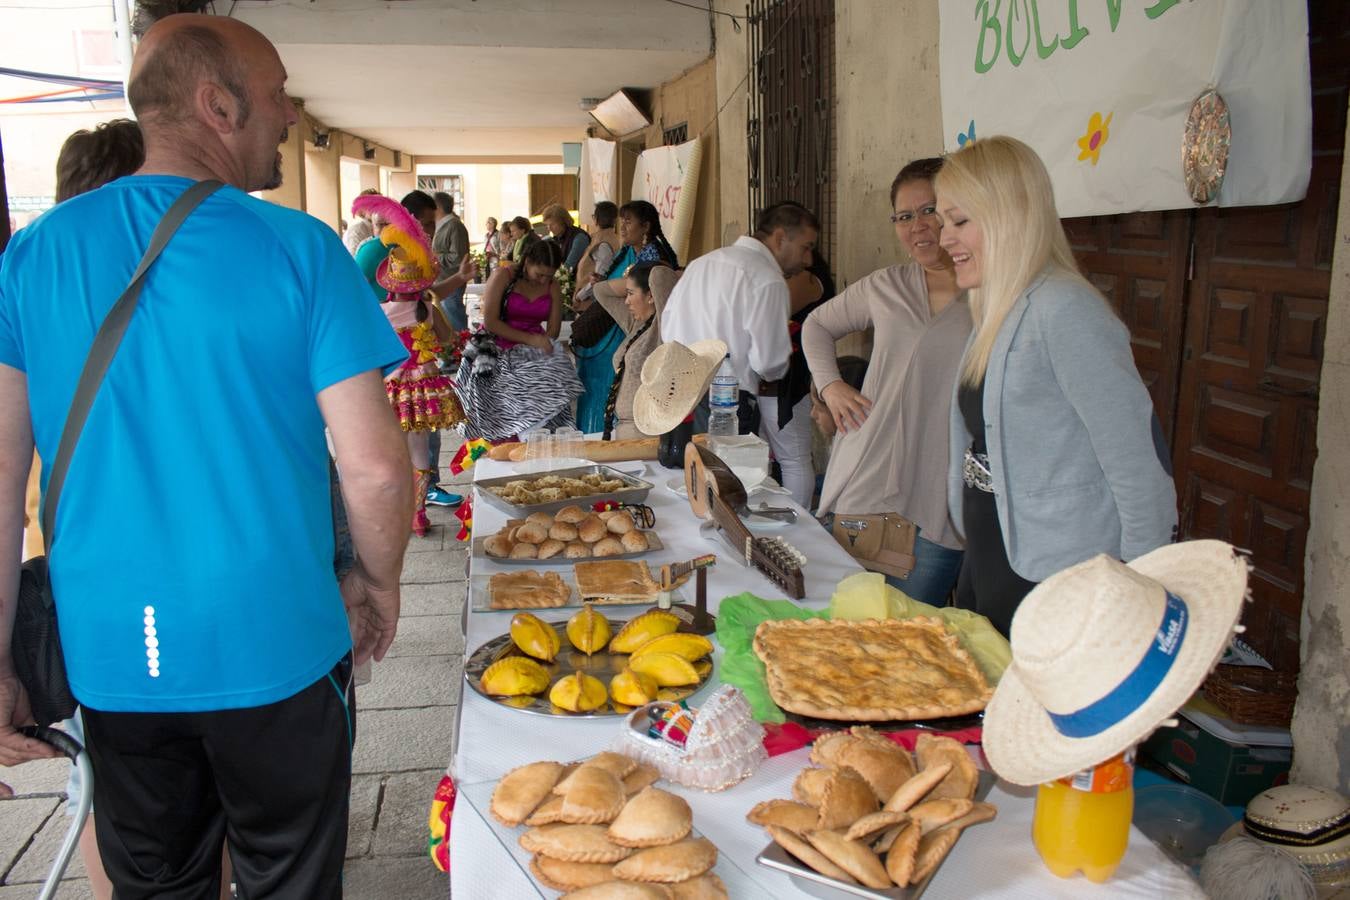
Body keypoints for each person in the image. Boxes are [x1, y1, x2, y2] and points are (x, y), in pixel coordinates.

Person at [0, 15, 412, 897]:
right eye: (277, 94)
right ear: (217, 104)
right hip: (278, 640)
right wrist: (378, 584)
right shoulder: (301, 248)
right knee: (290, 876)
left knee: (155, 883)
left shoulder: (32, 259)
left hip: (114, 652)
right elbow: (375, 468)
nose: (292, 114)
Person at [935, 135, 1177, 635]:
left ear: (1009, 216)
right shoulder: (992, 310)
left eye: (959, 222)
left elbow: (1136, 459)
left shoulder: (1066, 309)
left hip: (1054, 572)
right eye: (944, 223)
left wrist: (1141, 582)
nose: (943, 240)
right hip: (993, 553)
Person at [803, 158, 971, 605]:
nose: (918, 226)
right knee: (843, 628)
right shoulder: (886, 286)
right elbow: (815, 326)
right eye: (903, 216)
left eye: (929, 209)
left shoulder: (990, 291)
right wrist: (831, 386)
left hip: (940, 497)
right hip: (866, 483)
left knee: (912, 637)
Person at [357, 194, 471, 536]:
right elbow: (448, 339)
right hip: (423, 392)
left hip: (388, 391)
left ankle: (394, 511)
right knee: (420, 454)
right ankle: (418, 515)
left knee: (388, 454)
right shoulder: (427, 309)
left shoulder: (378, 313)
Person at [661, 201, 817, 438]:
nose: (808, 260)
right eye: (806, 247)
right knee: (727, 473)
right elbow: (768, 362)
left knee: (687, 471)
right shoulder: (767, 279)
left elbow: (668, 326)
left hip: (679, 395)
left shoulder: (703, 263)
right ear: (780, 238)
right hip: (726, 402)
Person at [455, 239, 582, 440]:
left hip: (531, 349)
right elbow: (490, 322)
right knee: (505, 398)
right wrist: (531, 340)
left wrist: (540, 345)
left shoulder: (552, 285)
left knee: (555, 380)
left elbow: (554, 330)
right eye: (539, 274)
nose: (543, 281)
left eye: (549, 276)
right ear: (527, 262)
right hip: (496, 344)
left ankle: (537, 438)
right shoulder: (502, 276)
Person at [572, 200, 678, 434]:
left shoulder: (654, 257)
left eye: (629, 221)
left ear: (646, 226)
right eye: (622, 221)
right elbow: (607, 291)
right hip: (625, 328)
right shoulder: (630, 252)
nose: (623, 227)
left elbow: (659, 282)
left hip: (637, 333)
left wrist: (625, 286)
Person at [591, 261, 678, 440]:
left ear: (652, 295)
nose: (626, 300)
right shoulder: (635, 324)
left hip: (648, 433)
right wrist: (634, 280)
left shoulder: (663, 328)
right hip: (624, 428)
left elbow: (661, 279)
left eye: (630, 293)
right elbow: (600, 290)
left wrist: (644, 278)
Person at [431, 190, 470, 331]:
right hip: (442, 280)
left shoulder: (454, 225)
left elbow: (458, 258)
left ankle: (463, 348)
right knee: (447, 321)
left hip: (452, 280)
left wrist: (434, 256)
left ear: (438, 207)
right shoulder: (440, 225)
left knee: (455, 320)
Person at [573, 200, 621, 296]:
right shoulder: (616, 239)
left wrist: (580, 296)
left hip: (591, 299)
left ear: (595, 219)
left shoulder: (602, 243)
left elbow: (599, 278)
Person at [542, 204, 590, 272]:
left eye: (552, 224)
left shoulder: (579, 238)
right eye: (547, 225)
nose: (549, 228)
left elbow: (568, 267)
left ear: (563, 222)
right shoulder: (556, 238)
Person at [342, 187, 381, 255]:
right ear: (362, 209)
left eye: (379, 204)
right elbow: (354, 258)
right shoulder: (356, 231)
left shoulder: (384, 227)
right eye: (371, 205)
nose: (376, 208)